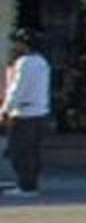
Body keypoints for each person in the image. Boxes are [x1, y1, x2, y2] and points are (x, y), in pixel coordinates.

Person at [4, 30, 51, 196]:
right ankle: (30, 184)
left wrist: (6, 110)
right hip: (39, 112)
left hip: (24, 113)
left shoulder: (24, 62)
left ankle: (26, 186)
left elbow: (17, 89)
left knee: (19, 151)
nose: (15, 46)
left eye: (18, 42)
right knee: (32, 152)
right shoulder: (42, 61)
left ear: (24, 44)